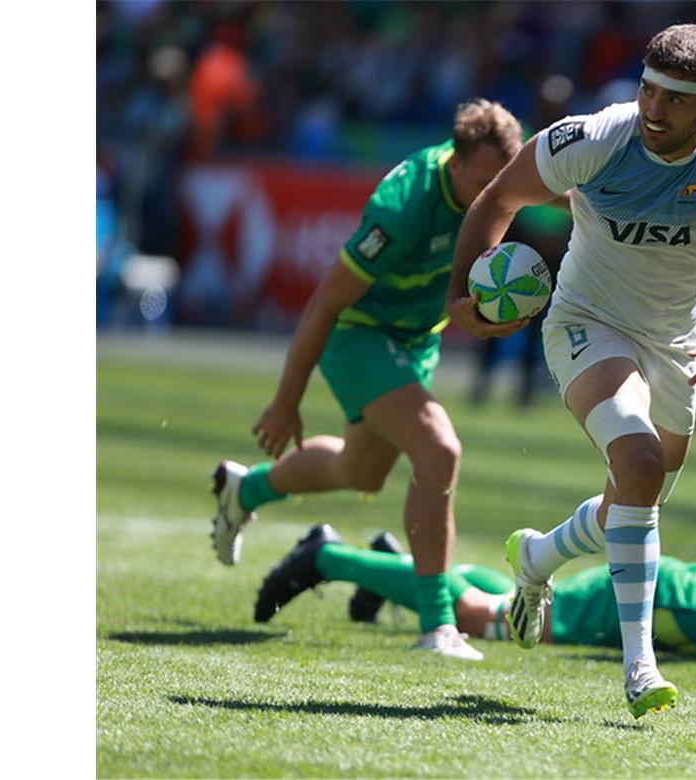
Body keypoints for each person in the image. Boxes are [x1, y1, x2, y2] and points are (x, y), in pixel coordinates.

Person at [446, 24, 696, 716]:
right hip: (585, 321)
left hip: (678, 341)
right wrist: (459, 297)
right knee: (638, 463)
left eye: (673, 99)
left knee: (634, 502)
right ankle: (640, 667)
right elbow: (498, 197)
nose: (653, 108)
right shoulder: (593, 138)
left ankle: (536, 560)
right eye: (648, 89)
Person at [207, 99, 525, 661]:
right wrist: (287, 400)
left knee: (360, 470)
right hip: (357, 334)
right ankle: (437, 625)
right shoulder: (403, 205)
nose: (489, 195)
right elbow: (324, 303)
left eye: (498, 181)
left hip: (414, 340)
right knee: (439, 449)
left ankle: (245, 488)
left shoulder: (501, 186)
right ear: (453, 161)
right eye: (480, 181)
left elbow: (557, 191)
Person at [253, 524, 696, 685]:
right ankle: (328, 555)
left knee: (495, 602)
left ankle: (385, 565)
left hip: (660, 600)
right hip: (652, 606)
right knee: (478, 617)